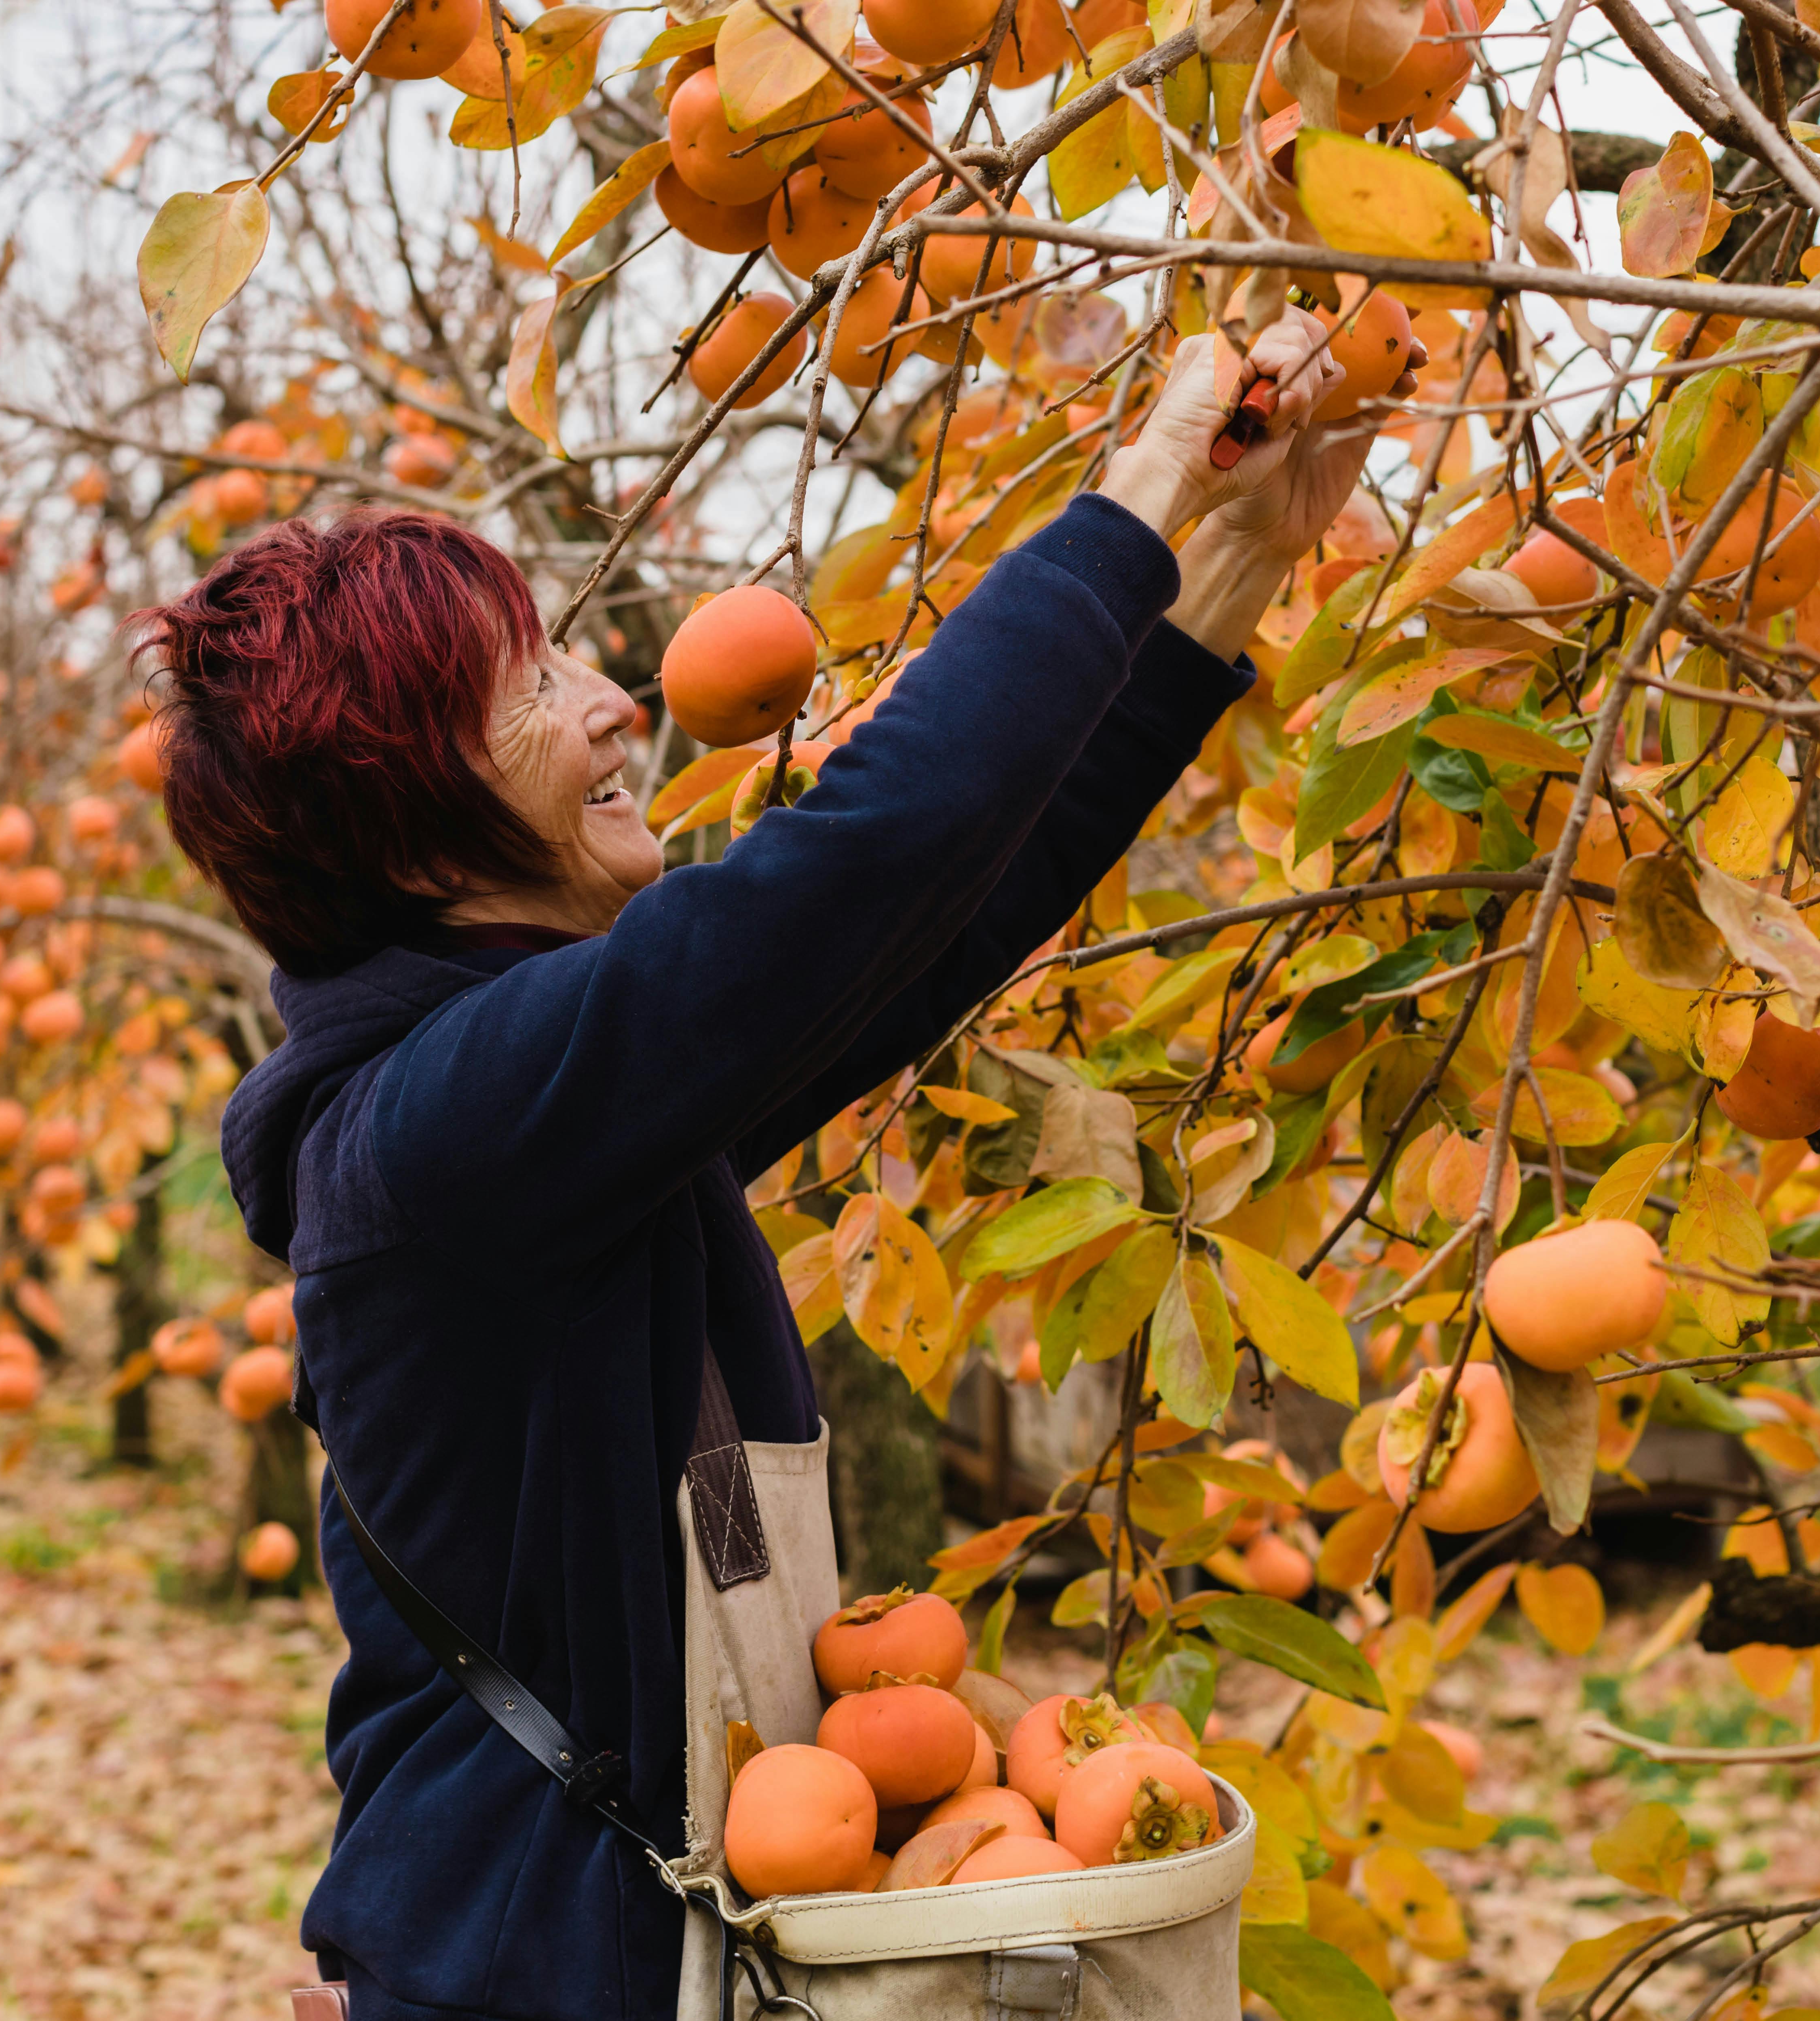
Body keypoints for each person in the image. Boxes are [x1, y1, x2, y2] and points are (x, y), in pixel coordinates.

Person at [134, 308, 1415, 2021]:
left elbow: (929, 922)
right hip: (538, 1973)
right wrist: (1143, 486)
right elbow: (853, 863)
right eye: (529, 687)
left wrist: (1228, 573)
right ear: (408, 817)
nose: (609, 702)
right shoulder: (450, 1131)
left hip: (603, 1950)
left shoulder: (561, 1114)